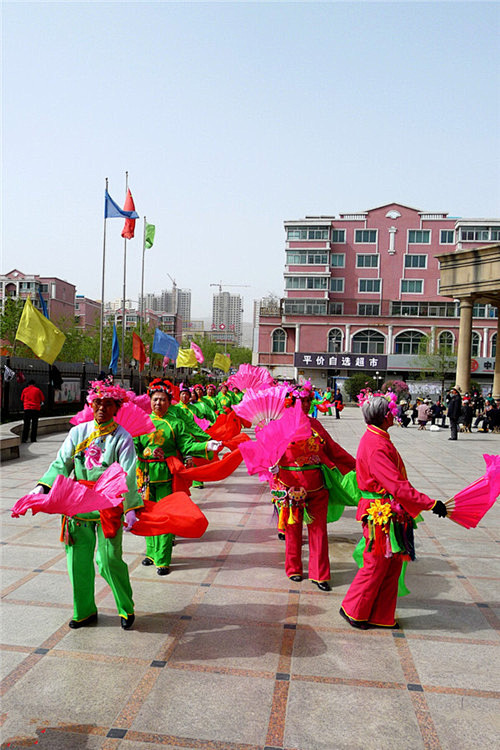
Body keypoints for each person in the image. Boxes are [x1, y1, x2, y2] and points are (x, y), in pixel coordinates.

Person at [33, 380, 143, 630]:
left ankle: (125, 608)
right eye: (97, 403)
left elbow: (127, 473)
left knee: (110, 560)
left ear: (117, 407)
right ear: (91, 405)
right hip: (78, 502)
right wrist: (44, 485)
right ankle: (83, 611)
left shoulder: (122, 437)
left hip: (108, 504)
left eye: (108, 404)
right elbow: (62, 463)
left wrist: (131, 507)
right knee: (77, 561)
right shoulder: (78, 432)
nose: (102, 408)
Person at [340, 394, 447, 630]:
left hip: (390, 510)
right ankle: (353, 609)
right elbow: (397, 486)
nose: (395, 414)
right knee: (376, 562)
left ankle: (381, 615)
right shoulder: (377, 445)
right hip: (380, 511)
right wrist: (430, 503)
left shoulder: (378, 438)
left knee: (392, 563)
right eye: (392, 411)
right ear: (386, 416)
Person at [270, 383, 355, 591]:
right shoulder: (279, 426)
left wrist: (358, 466)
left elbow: (334, 450)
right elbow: (268, 453)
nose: (306, 404)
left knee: (318, 531)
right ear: (291, 402)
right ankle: (294, 568)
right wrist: (270, 467)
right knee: (292, 529)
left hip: (317, 486)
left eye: (309, 400)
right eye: (302, 400)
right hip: (290, 488)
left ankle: (320, 574)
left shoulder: (315, 425)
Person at [134, 379, 221, 575]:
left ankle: (163, 559)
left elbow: (187, 445)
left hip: (166, 476)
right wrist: (145, 452)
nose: (158, 403)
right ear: (150, 401)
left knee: (165, 516)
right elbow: (132, 448)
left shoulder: (176, 423)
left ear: (169, 401)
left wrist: (206, 446)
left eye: (163, 400)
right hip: (145, 476)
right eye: (155, 399)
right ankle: (151, 552)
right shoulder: (141, 422)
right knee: (146, 515)